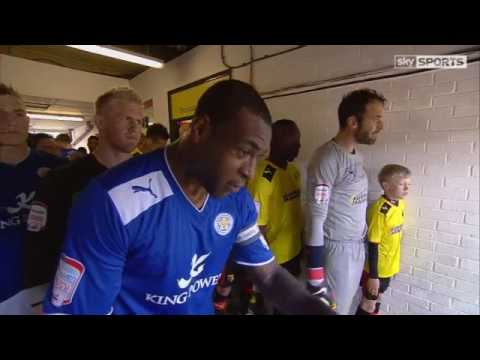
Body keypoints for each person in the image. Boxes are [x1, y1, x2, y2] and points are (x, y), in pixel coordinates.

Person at [41, 80, 336, 315]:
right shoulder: (113, 201)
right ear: (200, 129)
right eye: (243, 151)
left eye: (257, 158)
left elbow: (269, 276)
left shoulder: (235, 198)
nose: (249, 171)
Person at [24, 87, 144, 312]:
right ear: (101, 121)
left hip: (137, 295)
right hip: (84, 296)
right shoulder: (62, 180)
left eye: (139, 121)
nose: (134, 128)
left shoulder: (148, 178)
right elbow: (40, 246)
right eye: (125, 119)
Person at [305, 88, 385, 314]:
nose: (381, 126)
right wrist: (315, 270)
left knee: (346, 306)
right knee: (332, 311)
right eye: (376, 118)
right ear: (353, 122)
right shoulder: (327, 158)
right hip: (336, 251)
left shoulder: (355, 154)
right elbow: (315, 217)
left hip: (356, 246)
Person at [215, 119, 304, 314]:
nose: (299, 146)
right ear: (277, 144)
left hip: (293, 252)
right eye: (293, 142)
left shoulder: (293, 172)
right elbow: (256, 226)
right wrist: (257, 271)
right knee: (266, 307)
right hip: (271, 260)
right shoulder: (264, 178)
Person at [0, 83, 66, 314]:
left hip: (54, 287)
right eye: (0, 114)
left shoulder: (59, 170)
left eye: (17, 114)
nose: (9, 122)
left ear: (28, 121)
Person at [356, 164, 411, 315]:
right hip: (376, 270)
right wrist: (373, 276)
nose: (406, 188)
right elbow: (373, 244)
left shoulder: (400, 204)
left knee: (377, 300)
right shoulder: (380, 211)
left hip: (388, 268)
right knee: (368, 305)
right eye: (401, 184)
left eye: (408, 184)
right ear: (386, 186)